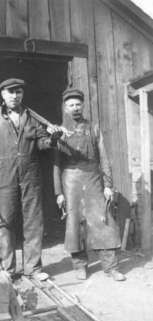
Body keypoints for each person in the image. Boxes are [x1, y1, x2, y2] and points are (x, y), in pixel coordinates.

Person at [0, 78, 61, 281]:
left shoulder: (31, 118)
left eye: (18, 92)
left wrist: (52, 139)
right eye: (10, 92)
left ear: (22, 94)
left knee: (33, 222)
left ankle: (33, 268)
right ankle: (8, 268)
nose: (15, 95)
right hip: (3, 179)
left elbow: (41, 144)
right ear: (3, 95)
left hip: (30, 177)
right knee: (4, 223)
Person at [53, 88, 126, 281]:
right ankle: (79, 266)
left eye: (78, 104)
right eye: (71, 105)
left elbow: (104, 157)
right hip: (70, 181)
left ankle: (111, 267)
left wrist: (108, 185)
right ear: (65, 107)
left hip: (93, 179)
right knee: (74, 224)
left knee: (103, 220)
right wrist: (58, 192)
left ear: (83, 106)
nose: (75, 108)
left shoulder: (93, 128)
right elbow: (56, 165)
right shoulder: (59, 131)